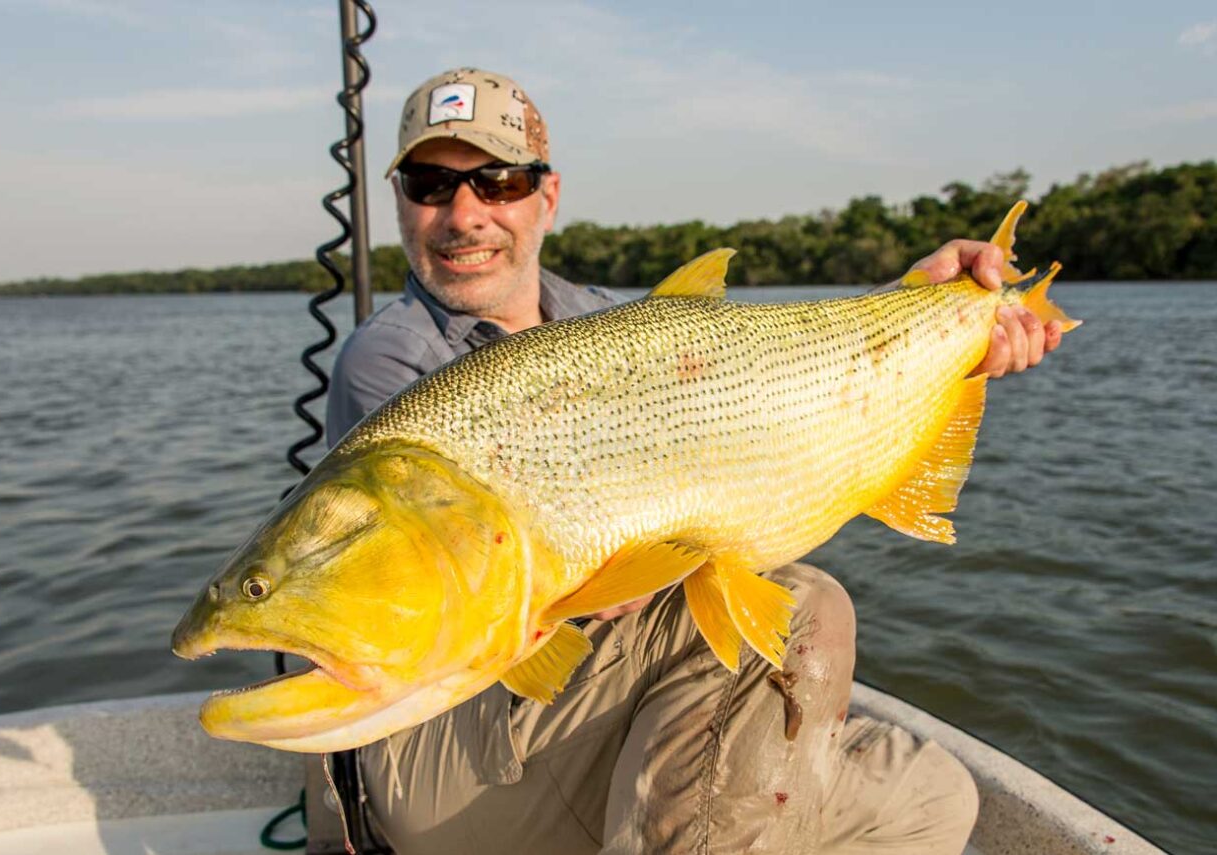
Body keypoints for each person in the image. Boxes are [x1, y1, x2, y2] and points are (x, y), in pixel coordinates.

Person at [325, 68, 1063, 855]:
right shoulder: (392, 365)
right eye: (431, 183)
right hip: (454, 735)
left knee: (928, 795)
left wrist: (918, 308)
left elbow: (765, 381)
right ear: (400, 197)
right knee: (800, 604)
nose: (463, 214)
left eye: (496, 181)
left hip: (581, 708)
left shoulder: (604, 319)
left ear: (547, 195)